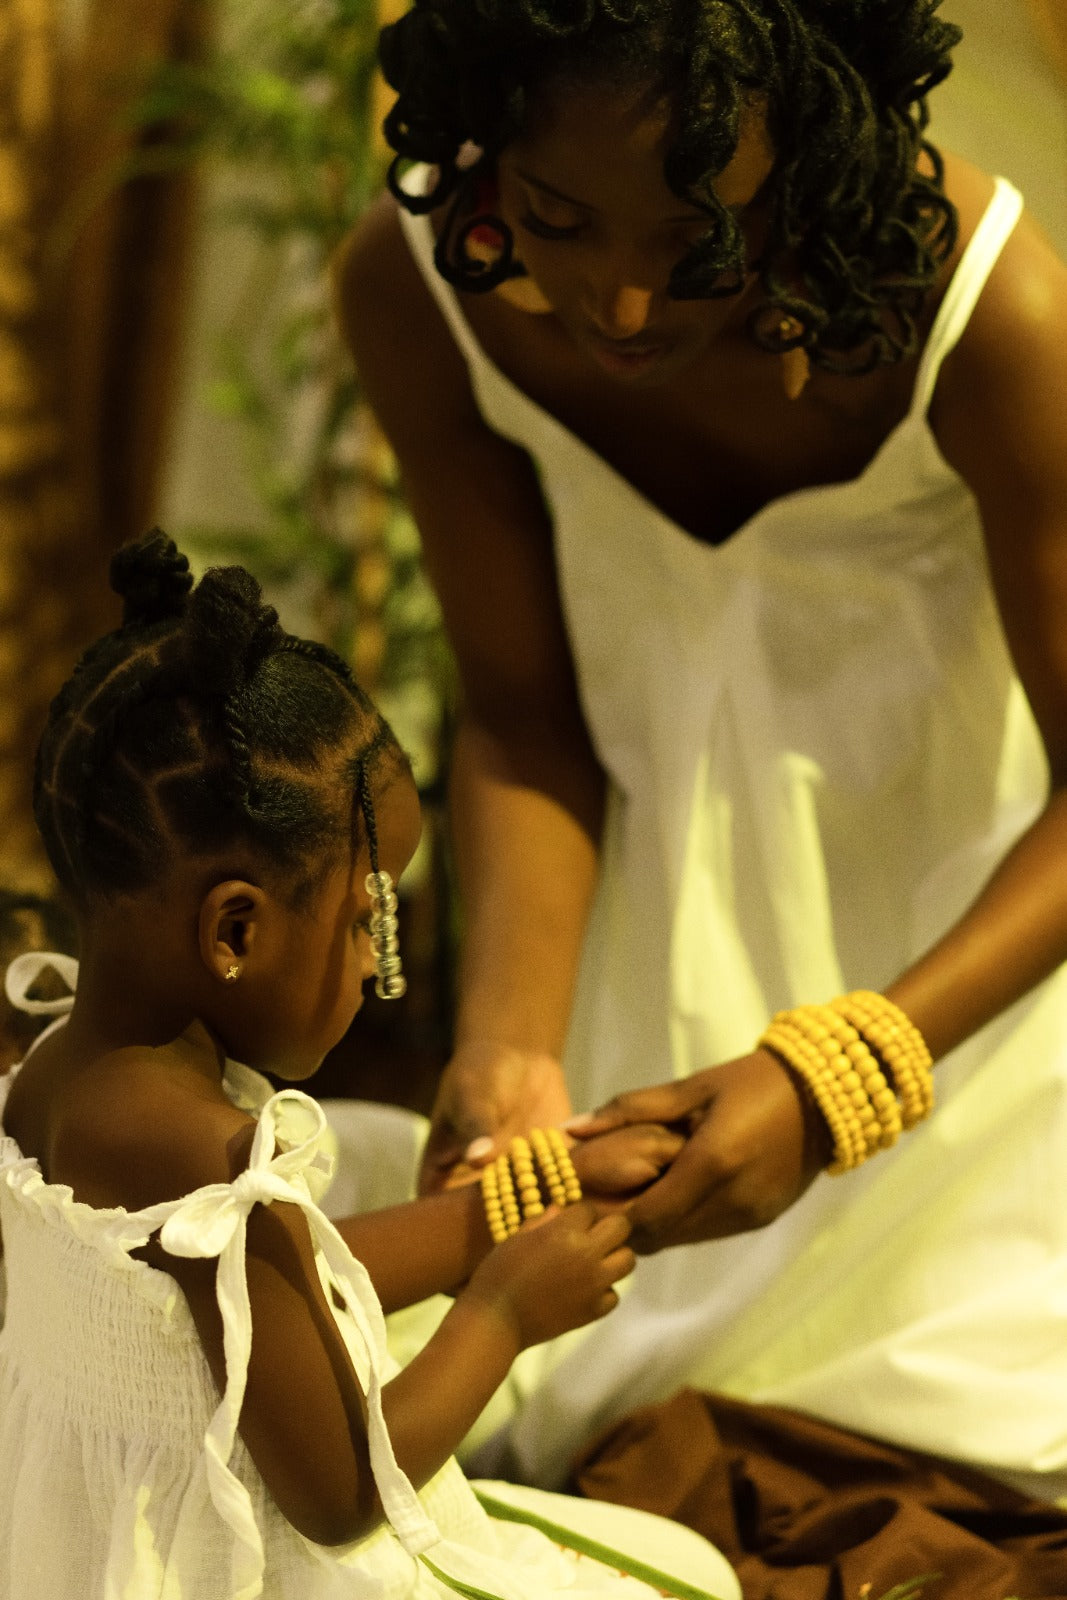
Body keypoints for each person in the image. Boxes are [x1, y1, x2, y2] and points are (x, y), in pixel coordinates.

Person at [334, 0, 1067, 1510]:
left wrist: (833, 1075)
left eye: (700, 242)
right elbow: (528, 719)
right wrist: (511, 1049)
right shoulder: (418, 294)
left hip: (979, 1034)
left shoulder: (983, 317)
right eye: (555, 221)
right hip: (646, 1040)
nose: (617, 305)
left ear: (801, 155)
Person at [0, 530, 741, 1600]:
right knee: (693, 1583)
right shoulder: (206, 1157)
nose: (368, 964)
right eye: (366, 920)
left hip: (98, 1546)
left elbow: (271, 1290)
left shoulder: (59, 1071)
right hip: (242, 1565)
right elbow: (342, 1492)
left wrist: (498, 1213)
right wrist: (501, 1313)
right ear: (236, 932)